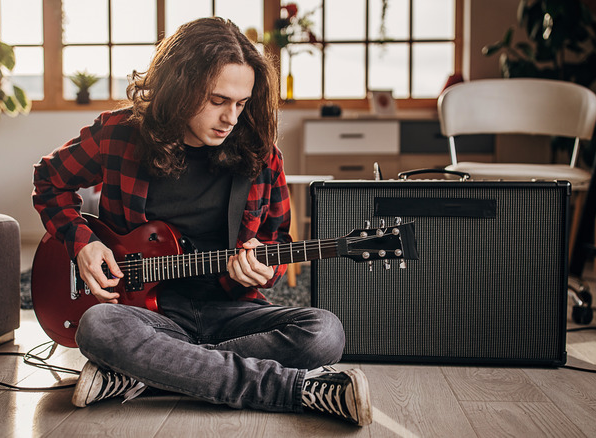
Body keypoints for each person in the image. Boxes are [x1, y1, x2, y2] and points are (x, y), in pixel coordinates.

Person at [32, 17, 372, 426]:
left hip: (231, 312)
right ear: (181, 86)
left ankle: (147, 374)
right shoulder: (119, 134)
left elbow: (277, 241)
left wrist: (263, 265)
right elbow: (49, 179)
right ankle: (295, 390)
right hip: (147, 316)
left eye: (241, 103)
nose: (231, 117)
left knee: (325, 332)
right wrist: (83, 242)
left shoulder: (263, 157)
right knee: (98, 326)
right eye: (217, 100)